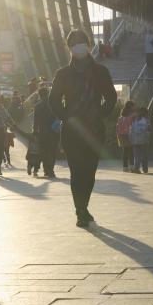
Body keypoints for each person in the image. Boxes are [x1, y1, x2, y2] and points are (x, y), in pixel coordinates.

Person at [49, 29, 117, 228]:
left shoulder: (101, 72)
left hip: (94, 129)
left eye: (81, 42)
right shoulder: (62, 74)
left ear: (88, 45)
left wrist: (100, 113)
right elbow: (53, 100)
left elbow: (111, 97)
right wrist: (66, 117)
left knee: (89, 171)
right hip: (72, 131)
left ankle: (83, 206)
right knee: (77, 171)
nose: (78, 46)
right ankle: (80, 210)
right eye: (74, 43)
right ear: (69, 48)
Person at [33, 87, 59, 178]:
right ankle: (50, 170)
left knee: (43, 151)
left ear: (39, 95)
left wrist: (34, 131)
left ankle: (46, 170)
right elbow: (58, 117)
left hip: (42, 132)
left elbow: (35, 120)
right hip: (53, 131)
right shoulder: (53, 104)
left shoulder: (37, 105)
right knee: (52, 151)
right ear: (48, 93)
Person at [129, 107, 151, 174]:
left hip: (134, 140)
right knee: (144, 155)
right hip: (144, 140)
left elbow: (131, 130)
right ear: (146, 113)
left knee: (137, 155)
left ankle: (136, 168)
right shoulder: (147, 120)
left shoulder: (135, 120)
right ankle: (145, 169)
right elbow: (149, 129)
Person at [116, 101, 136, 172]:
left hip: (122, 135)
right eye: (133, 106)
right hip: (128, 134)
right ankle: (132, 166)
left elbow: (118, 126)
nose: (134, 107)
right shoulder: (132, 115)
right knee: (131, 151)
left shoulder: (122, 115)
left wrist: (118, 135)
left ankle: (125, 167)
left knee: (125, 151)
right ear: (130, 106)